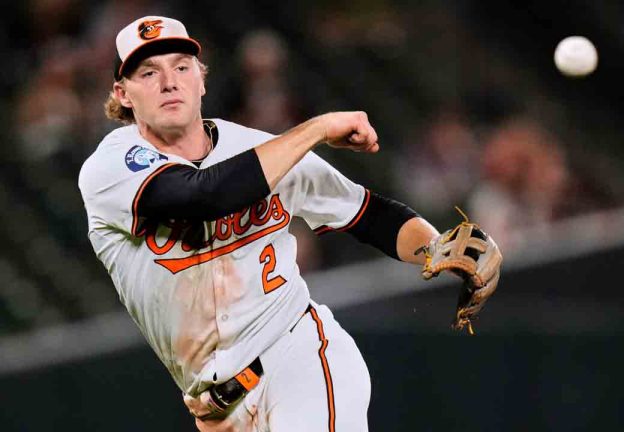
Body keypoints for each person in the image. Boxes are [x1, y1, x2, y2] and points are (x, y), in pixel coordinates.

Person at [78, 16, 496, 431]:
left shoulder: (259, 150)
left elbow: (366, 213)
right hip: (217, 412)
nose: (169, 82)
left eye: (181, 67)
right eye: (148, 73)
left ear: (201, 81)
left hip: (298, 358)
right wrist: (316, 129)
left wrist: (434, 246)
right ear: (123, 94)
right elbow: (201, 196)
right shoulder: (112, 169)